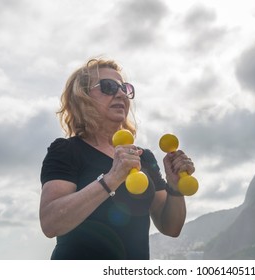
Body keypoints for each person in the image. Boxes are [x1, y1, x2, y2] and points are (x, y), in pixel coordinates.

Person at [39, 57, 195, 260]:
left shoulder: (143, 157)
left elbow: (171, 228)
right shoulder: (66, 151)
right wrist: (111, 179)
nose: (121, 94)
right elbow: (51, 223)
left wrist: (175, 188)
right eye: (109, 86)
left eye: (125, 88)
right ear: (83, 96)